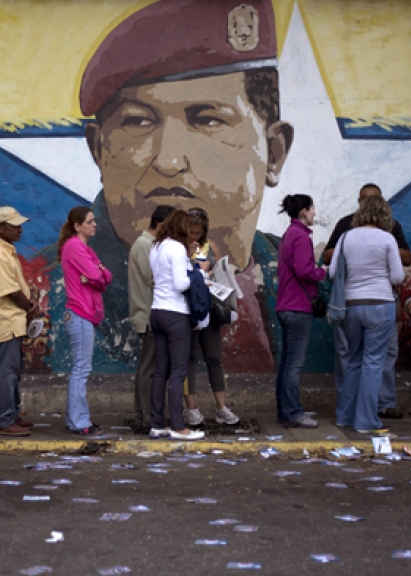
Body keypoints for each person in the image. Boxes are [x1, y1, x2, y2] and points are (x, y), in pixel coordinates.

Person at [62, 0, 292, 376]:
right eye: (137, 121)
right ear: (97, 149)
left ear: (274, 152)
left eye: (208, 120)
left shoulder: (298, 278)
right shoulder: (48, 291)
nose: (168, 160)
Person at [322, 183, 411, 421]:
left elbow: (332, 273)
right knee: (373, 362)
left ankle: (344, 416)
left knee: (352, 359)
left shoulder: (345, 236)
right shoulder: (387, 237)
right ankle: (367, 420)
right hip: (380, 303)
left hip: (350, 304)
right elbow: (397, 276)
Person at [0, 207, 39, 437]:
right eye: (14, 225)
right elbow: (10, 290)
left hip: (12, 318)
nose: (20, 229)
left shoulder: (5, 250)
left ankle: (12, 415)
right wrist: (31, 308)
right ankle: (4, 419)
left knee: (12, 369)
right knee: (7, 370)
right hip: (5, 318)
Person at [149, 210, 205, 441]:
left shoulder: (156, 247)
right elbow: (181, 284)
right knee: (178, 372)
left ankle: (157, 424)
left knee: (160, 371)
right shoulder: (177, 248)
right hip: (175, 314)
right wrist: (198, 274)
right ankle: (178, 426)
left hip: (157, 311)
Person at [182, 208, 239, 427]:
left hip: (210, 308)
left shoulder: (210, 246)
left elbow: (219, 272)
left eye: (198, 233)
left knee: (214, 358)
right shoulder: (179, 248)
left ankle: (221, 407)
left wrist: (213, 269)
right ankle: (191, 408)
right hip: (188, 310)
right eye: (191, 232)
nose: (194, 237)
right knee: (189, 360)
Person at [59, 206, 112, 435]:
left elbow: (105, 276)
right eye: (89, 221)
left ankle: (77, 420)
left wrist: (96, 274)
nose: (95, 224)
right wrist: (96, 275)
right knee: (81, 369)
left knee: (82, 368)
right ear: (77, 226)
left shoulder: (84, 249)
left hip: (84, 313)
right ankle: (80, 422)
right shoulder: (75, 247)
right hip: (80, 313)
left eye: (94, 221)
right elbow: (95, 276)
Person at [274, 195, 326, 428]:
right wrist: (323, 272)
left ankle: (285, 411)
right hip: (298, 308)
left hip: (286, 305)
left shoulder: (289, 234)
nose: (314, 213)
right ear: (304, 211)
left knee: (286, 363)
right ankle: (294, 412)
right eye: (312, 208)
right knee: (294, 364)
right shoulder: (302, 236)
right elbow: (305, 270)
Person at [128, 205, 175, 426]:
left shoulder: (147, 244)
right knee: (151, 369)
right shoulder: (145, 246)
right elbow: (155, 279)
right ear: (161, 225)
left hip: (147, 314)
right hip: (148, 314)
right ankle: (148, 417)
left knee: (146, 368)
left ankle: (143, 414)